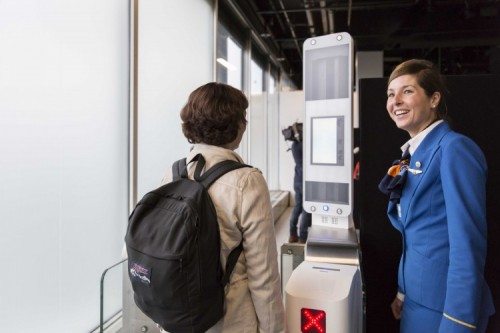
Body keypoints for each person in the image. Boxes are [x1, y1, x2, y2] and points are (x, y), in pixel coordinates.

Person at [379, 59, 495, 332]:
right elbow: (417, 233)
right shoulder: (414, 153)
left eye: (407, 91)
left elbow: (467, 243)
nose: (396, 100)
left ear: (434, 99)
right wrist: (404, 290)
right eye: (390, 94)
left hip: (446, 307)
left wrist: (458, 322)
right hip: (418, 300)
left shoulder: (454, 149)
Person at [161, 82, 285, 332]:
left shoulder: (174, 173)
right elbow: (263, 275)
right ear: (237, 125)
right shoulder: (247, 181)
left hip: (174, 318)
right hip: (228, 320)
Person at [285, 123, 312, 243]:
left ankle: (292, 234)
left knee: (297, 207)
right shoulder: (303, 146)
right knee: (306, 209)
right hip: (305, 180)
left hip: (297, 180)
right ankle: (303, 236)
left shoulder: (294, 145)